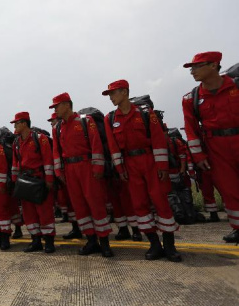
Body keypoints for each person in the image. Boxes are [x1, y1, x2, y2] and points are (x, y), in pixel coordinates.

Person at [102, 80, 181, 262]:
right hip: (130, 165)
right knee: (139, 204)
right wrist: (120, 168)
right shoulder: (110, 118)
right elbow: (113, 147)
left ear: (125, 92)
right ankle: (154, 244)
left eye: (114, 93)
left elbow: (158, 140)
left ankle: (170, 246)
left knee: (161, 201)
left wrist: (162, 166)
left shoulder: (146, 114)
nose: (111, 98)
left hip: (150, 162)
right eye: (110, 95)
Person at [181, 51, 239, 243]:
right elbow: (191, 130)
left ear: (214, 65)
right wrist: (198, 156)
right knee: (229, 189)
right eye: (191, 68)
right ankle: (238, 227)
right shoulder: (191, 98)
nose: (193, 71)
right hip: (216, 148)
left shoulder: (236, 86)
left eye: (197, 66)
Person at [50, 93, 113, 257]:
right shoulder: (57, 128)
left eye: (57, 106)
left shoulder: (85, 121)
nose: (55, 109)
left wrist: (98, 167)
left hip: (87, 166)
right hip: (70, 170)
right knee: (79, 206)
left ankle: (104, 242)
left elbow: (96, 144)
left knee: (95, 202)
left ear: (66, 105)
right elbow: (56, 152)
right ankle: (91, 240)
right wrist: (59, 172)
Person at [10, 112, 56, 253]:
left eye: (17, 123)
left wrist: (49, 179)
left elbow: (48, 160)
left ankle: (49, 241)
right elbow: (15, 163)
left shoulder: (40, 139)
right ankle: (35, 240)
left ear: (24, 123)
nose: (15, 126)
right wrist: (14, 181)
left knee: (44, 211)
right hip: (24, 181)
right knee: (29, 213)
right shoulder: (16, 142)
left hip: (39, 180)